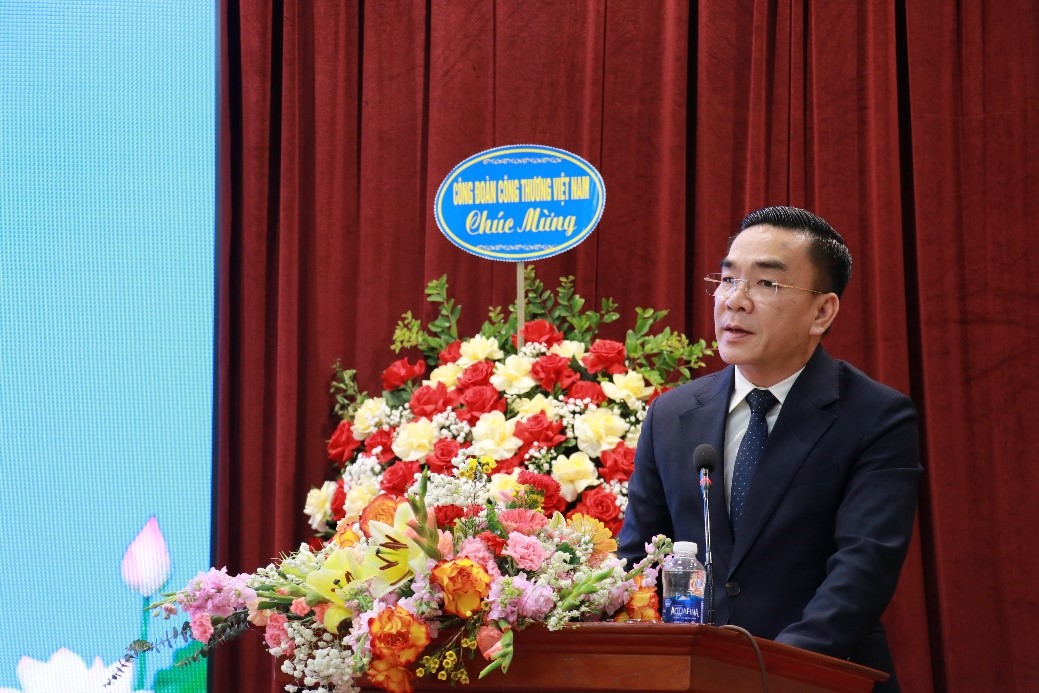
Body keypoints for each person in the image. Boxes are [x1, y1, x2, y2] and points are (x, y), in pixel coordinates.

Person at [618, 206, 921, 691]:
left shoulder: (876, 417)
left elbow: (862, 571)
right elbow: (637, 561)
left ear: (822, 312)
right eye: (727, 279)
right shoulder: (672, 414)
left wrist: (762, 677)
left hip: (814, 679)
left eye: (767, 284)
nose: (735, 301)